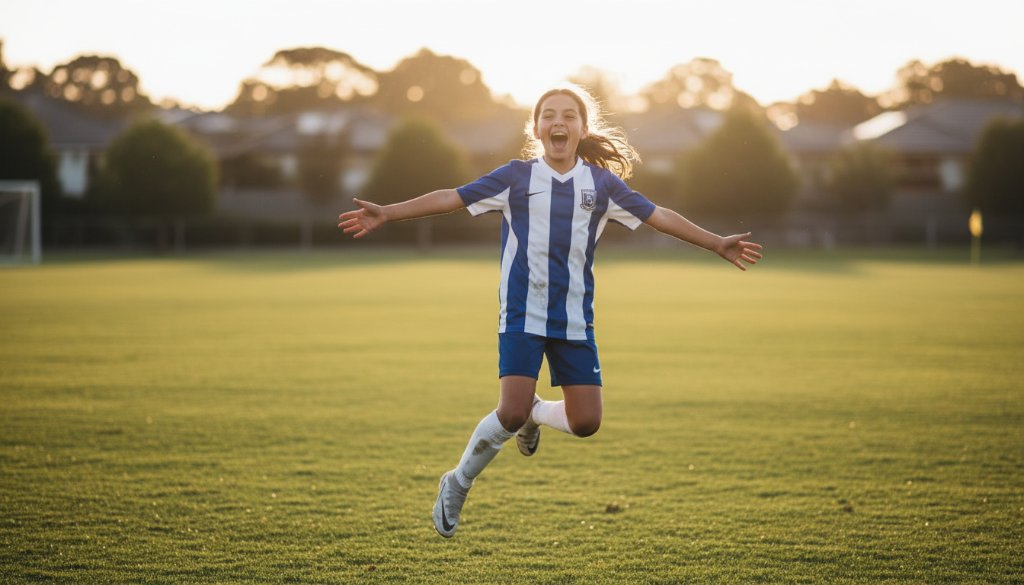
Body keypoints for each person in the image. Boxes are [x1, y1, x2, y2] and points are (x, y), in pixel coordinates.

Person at [338, 86, 763, 538]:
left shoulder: (602, 186)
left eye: (569, 116)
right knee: (509, 412)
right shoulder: (515, 178)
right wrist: (387, 212)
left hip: (574, 320)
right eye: (548, 115)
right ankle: (458, 482)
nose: (558, 122)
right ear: (537, 128)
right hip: (522, 312)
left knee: (586, 423)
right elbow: (451, 197)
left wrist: (716, 241)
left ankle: (538, 413)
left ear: (582, 128)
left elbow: (660, 215)